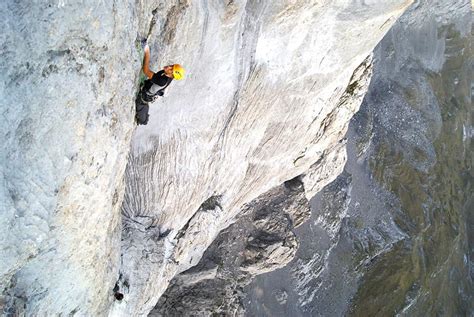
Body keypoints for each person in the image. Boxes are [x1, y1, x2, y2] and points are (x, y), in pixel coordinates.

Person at [135, 44, 185, 125]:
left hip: (142, 98)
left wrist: (147, 51)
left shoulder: (163, 80)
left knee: (143, 120)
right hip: (148, 91)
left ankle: (143, 119)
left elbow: (146, 70)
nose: (169, 67)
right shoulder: (168, 74)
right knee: (144, 109)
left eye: (171, 69)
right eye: (172, 66)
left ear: (172, 75)